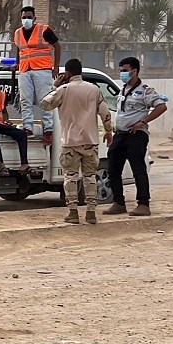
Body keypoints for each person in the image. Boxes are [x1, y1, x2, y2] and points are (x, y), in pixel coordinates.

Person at [41, 58, 114, 224]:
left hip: (70, 142)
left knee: (71, 177)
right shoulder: (94, 89)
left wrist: (55, 86)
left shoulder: (63, 90)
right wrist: (108, 131)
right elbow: (105, 113)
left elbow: (45, 104)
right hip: (90, 142)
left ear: (67, 73)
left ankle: (73, 212)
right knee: (90, 177)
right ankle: (91, 212)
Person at [104, 56, 168, 217]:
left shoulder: (145, 91)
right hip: (120, 134)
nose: (122, 74)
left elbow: (161, 106)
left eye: (125, 70)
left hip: (135, 135)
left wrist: (144, 121)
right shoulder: (123, 90)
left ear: (134, 71)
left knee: (138, 169)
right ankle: (118, 202)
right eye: (120, 71)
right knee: (112, 168)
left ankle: (143, 204)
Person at [13, 6, 61, 145]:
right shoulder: (17, 33)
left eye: (29, 17)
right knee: (25, 100)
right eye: (24, 17)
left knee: (44, 101)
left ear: (34, 18)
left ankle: (48, 130)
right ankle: (27, 128)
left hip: (42, 70)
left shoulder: (43, 29)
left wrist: (56, 66)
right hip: (24, 70)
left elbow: (57, 46)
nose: (26, 20)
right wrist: (17, 63)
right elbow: (19, 49)